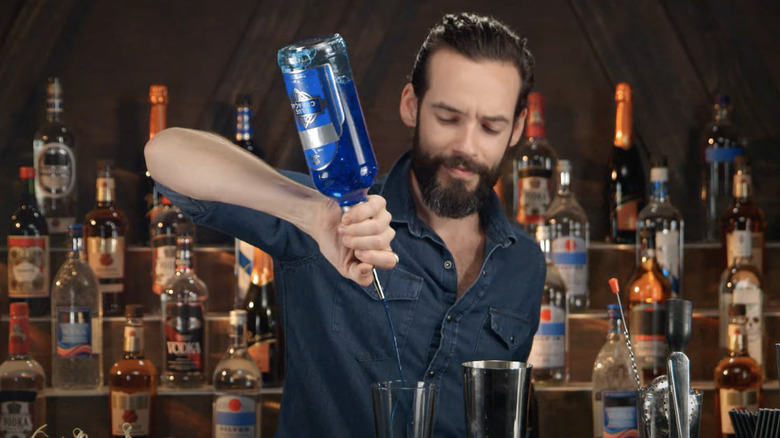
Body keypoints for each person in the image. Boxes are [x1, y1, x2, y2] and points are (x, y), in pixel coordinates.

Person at [145, 12, 544, 437]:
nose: (466, 146)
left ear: (517, 128)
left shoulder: (524, 265)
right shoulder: (333, 213)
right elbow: (165, 157)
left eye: (490, 127)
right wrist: (310, 212)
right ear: (411, 105)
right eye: (448, 117)